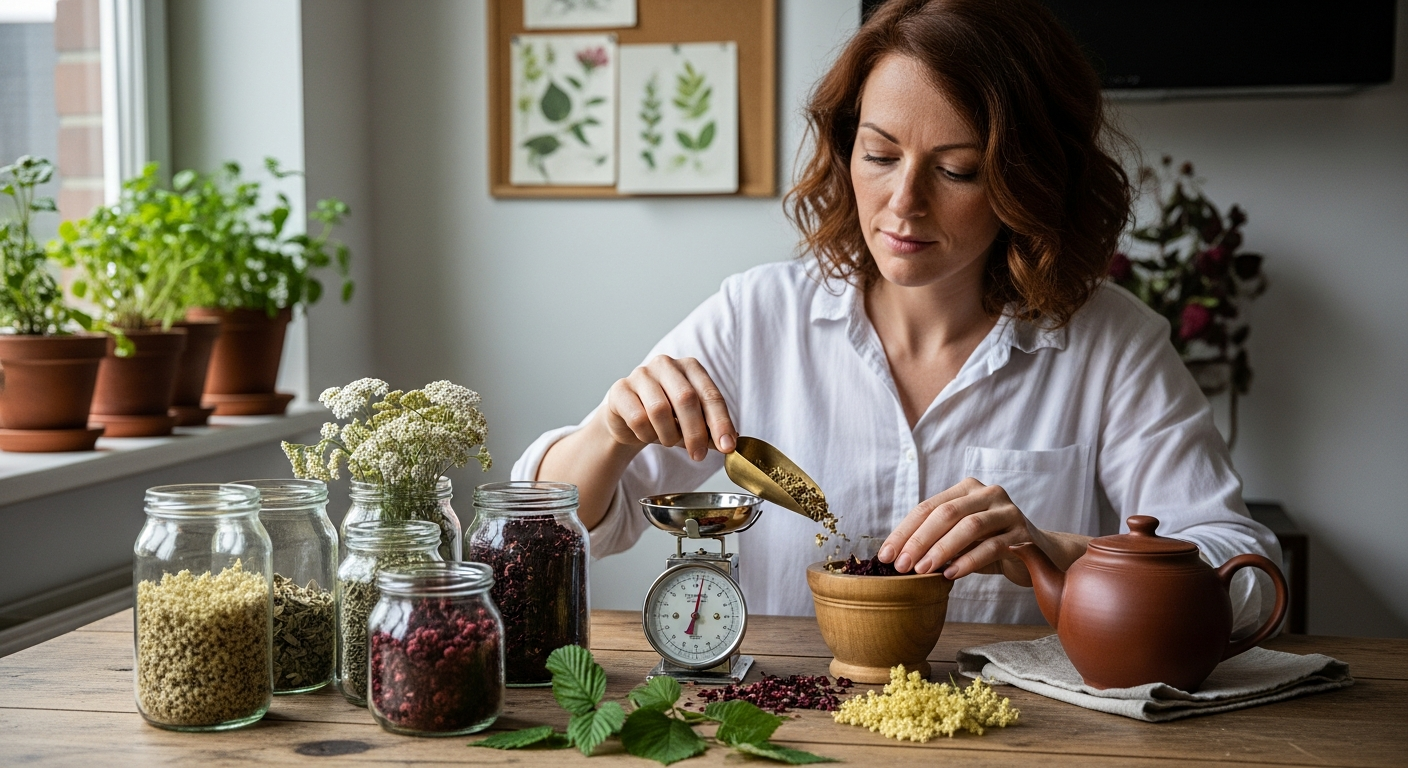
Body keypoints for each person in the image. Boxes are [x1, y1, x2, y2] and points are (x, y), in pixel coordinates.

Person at [513, 0, 1280, 631]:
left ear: (1030, 181)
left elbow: (1248, 577)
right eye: (880, 155)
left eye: (957, 170)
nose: (904, 203)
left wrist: (1060, 553)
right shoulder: (757, 317)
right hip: (794, 725)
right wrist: (608, 436)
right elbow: (542, 531)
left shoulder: (1112, 344)